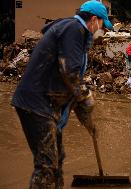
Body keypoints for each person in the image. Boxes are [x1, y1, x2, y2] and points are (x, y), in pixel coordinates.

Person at [11, 1, 112, 188]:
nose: (101, 30)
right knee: (47, 166)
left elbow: (69, 83)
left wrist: (88, 121)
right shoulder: (74, 29)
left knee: (57, 159)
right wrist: (85, 95)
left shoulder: (73, 32)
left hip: (47, 103)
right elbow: (69, 72)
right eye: (101, 25)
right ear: (93, 19)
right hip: (36, 104)